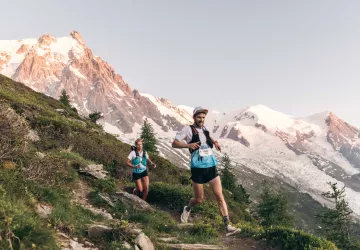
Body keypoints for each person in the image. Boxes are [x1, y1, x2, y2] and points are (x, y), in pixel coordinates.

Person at [172, 106, 240, 234]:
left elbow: (208, 137)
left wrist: (215, 143)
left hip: (211, 167)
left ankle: (228, 226)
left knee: (219, 196)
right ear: (194, 117)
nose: (201, 120)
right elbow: (174, 143)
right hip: (197, 169)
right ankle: (187, 208)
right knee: (199, 199)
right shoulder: (188, 129)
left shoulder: (205, 129)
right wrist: (188, 145)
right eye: (199, 117)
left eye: (203, 118)